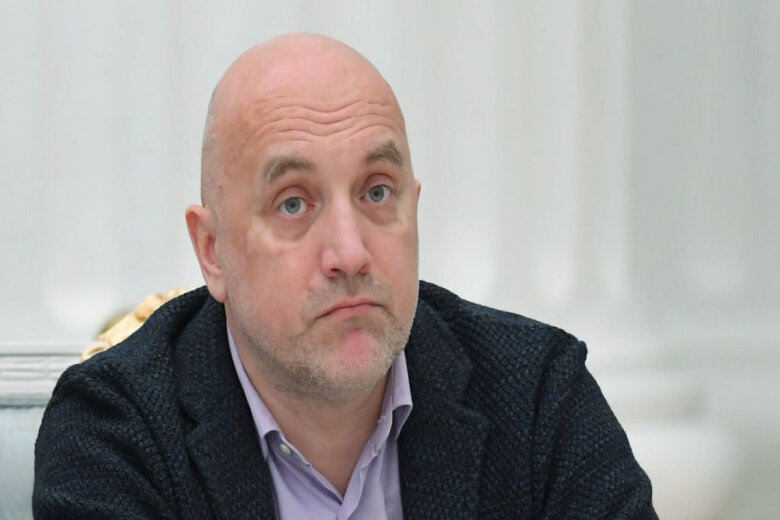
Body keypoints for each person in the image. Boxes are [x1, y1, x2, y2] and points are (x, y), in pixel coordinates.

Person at [33, 34, 657, 519]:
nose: (351, 252)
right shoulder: (117, 430)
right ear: (213, 251)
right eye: (293, 203)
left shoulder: (538, 395)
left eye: (377, 192)